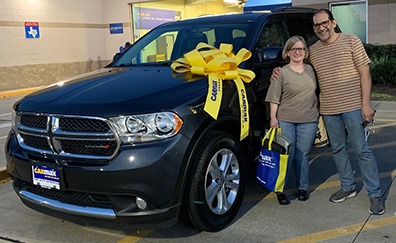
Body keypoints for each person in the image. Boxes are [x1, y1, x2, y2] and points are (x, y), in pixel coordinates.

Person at [271, 9, 384, 215]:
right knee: (338, 150)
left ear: (333, 22)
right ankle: (347, 187)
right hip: (329, 110)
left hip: (353, 107)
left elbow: (365, 72)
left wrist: (366, 105)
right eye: (316, 25)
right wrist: (277, 71)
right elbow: (297, 65)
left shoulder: (351, 41)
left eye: (324, 23)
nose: (321, 27)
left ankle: (374, 194)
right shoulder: (313, 51)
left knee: (362, 151)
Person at [265, 36, 319, 205]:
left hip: (309, 120)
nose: (297, 52)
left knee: (302, 156)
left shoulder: (312, 70)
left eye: (301, 49)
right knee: (285, 156)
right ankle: (280, 189)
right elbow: (274, 98)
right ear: (287, 52)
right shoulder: (281, 72)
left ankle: (302, 188)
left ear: (305, 52)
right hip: (286, 120)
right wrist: (273, 118)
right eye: (293, 49)